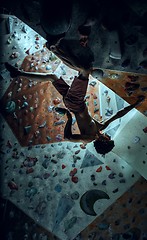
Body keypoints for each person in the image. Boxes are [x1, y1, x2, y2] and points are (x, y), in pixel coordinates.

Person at [5, 62, 145, 155]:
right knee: (52, 77)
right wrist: (136, 104)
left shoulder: (88, 138)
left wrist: (69, 117)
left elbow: (68, 137)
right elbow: (119, 114)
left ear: (104, 141)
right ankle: (18, 73)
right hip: (75, 103)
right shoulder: (100, 128)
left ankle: (57, 49)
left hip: (75, 104)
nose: (109, 136)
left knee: (85, 70)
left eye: (109, 139)